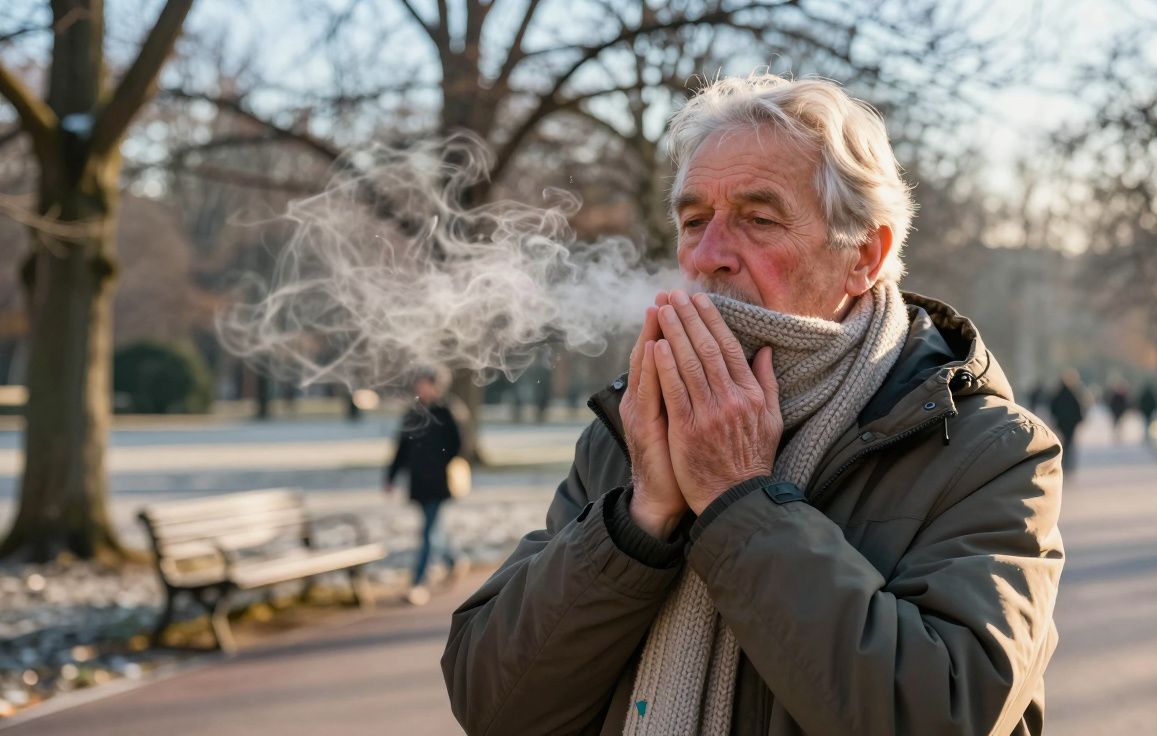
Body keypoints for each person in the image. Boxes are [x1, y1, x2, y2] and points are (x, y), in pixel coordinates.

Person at [442, 75, 1064, 735]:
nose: (708, 258)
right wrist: (639, 519)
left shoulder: (992, 452)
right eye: (692, 222)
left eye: (759, 219)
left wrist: (738, 499)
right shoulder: (633, 430)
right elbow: (494, 705)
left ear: (865, 254)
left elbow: (942, 716)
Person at [385, 369, 463, 605]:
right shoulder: (412, 414)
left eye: (426, 385)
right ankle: (452, 559)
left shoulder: (446, 411)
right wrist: (391, 476)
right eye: (419, 385)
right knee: (433, 528)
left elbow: (458, 445)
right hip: (417, 482)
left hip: (439, 482)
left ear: (436, 386)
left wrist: (440, 463)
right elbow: (401, 448)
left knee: (428, 532)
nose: (422, 389)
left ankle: (418, 583)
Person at [1049, 370, 1087, 474]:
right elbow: (1079, 408)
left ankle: (1064, 463)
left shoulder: (1058, 394)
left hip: (1062, 423)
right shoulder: (1074, 394)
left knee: (1064, 443)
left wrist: (1055, 419)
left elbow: (1053, 408)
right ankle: (1068, 464)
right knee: (1069, 443)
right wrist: (1079, 420)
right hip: (1071, 423)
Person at [1104, 378, 1130, 444]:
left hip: (1119, 413)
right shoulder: (1117, 396)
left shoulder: (1120, 396)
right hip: (1116, 413)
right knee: (1117, 425)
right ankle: (1116, 436)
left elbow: (1125, 405)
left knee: (1119, 425)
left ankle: (1118, 436)